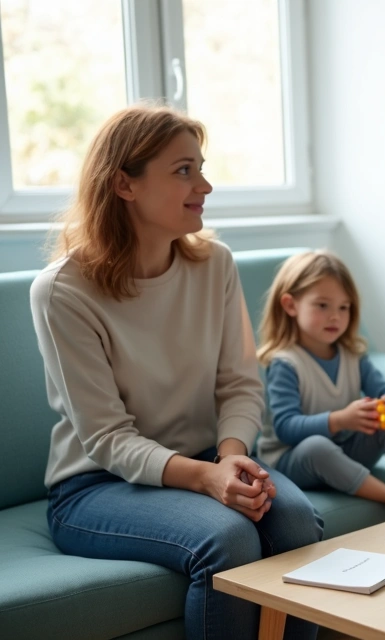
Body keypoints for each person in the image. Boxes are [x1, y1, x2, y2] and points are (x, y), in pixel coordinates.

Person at [32, 104, 323, 640]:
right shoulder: (62, 292)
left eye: (202, 167)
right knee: (229, 538)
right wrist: (208, 479)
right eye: (184, 170)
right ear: (125, 184)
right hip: (97, 486)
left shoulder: (215, 265)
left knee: (298, 523)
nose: (205, 185)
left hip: (211, 459)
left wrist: (231, 459)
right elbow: (107, 438)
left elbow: (238, 384)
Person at [256, 250, 385, 516]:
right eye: (322, 305)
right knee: (317, 446)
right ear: (291, 305)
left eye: (343, 307)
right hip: (293, 461)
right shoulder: (286, 364)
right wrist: (339, 420)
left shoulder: (353, 356)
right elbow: (285, 428)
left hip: (344, 453)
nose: (335, 316)